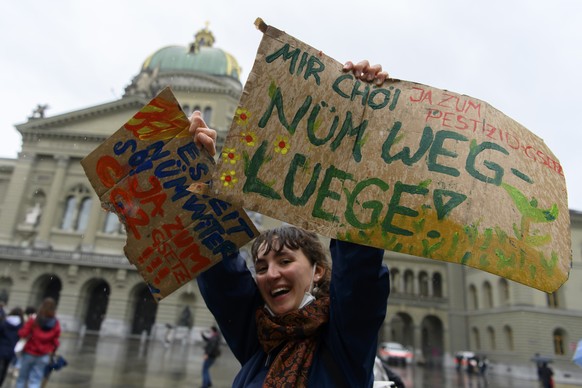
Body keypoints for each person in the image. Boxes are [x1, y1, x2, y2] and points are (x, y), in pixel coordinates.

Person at [192, 60, 391, 386]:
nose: (271, 274)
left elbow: (359, 268)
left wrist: (365, 119)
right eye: (261, 266)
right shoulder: (258, 340)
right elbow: (218, 267)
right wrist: (198, 174)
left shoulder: (345, 341)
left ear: (318, 271)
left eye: (285, 260)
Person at [16, 298, 60, 388]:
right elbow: (56, 340)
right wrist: (53, 350)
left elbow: (23, 333)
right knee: (35, 380)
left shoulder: (34, 320)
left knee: (22, 378)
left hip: (29, 352)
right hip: (44, 354)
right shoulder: (55, 323)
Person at [0, 307, 24, 387]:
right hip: (11, 349)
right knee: (5, 368)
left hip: (1, 348)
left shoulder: (5, 322)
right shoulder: (21, 325)